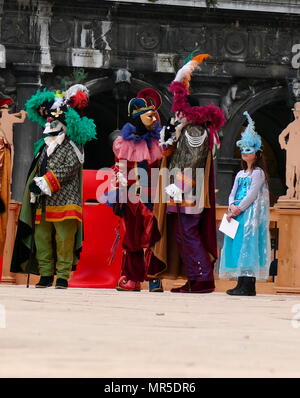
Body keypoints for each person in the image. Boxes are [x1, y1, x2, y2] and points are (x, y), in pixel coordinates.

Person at [149, 53, 226, 293]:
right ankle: (194, 277)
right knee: (182, 235)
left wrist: (177, 186)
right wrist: (169, 136)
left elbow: (193, 160)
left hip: (189, 192)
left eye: (178, 108)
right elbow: (169, 155)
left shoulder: (195, 130)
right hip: (178, 192)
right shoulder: (183, 129)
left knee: (190, 233)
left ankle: (203, 279)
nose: (175, 112)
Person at [11, 85, 96, 289]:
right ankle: (46, 275)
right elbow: (37, 168)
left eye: (54, 119)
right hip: (42, 200)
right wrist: (34, 185)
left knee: (64, 239)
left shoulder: (73, 141)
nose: (50, 122)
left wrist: (46, 182)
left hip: (65, 198)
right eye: (48, 119)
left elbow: (69, 166)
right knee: (41, 238)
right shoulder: (43, 144)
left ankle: (63, 277)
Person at [109, 88, 165, 292]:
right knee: (132, 238)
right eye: (148, 115)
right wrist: (120, 182)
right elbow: (119, 166)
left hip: (151, 196)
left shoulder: (156, 145)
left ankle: (154, 279)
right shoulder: (123, 144)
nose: (153, 119)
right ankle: (133, 279)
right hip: (130, 197)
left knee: (153, 237)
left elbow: (160, 168)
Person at [219, 111, 271, 296]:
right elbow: (233, 192)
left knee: (248, 245)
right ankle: (240, 283)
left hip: (248, 214)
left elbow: (251, 195)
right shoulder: (240, 174)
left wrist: (239, 208)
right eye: (243, 150)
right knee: (237, 245)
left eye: (248, 150)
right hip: (237, 213)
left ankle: (248, 285)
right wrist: (231, 206)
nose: (244, 153)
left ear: (256, 153)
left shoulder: (258, 173)